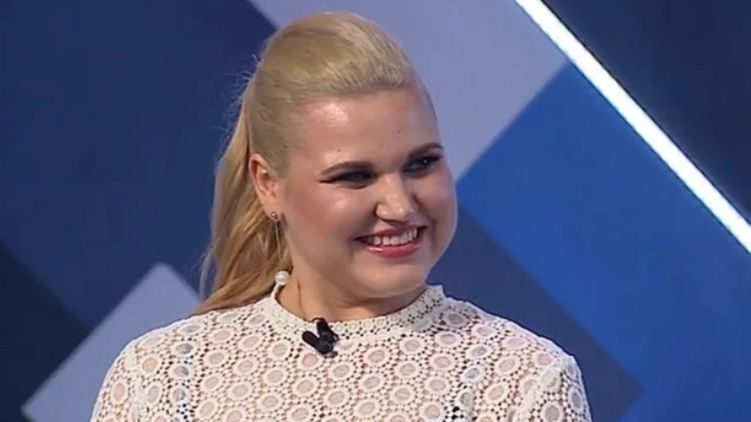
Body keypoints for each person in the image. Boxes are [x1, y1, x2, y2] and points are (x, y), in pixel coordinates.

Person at [91, 11, 592, 422]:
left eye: (421, 164)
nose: (399, 206)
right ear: (269, 185)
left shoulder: (522, 381)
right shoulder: (160, 378)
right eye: (354, 176)